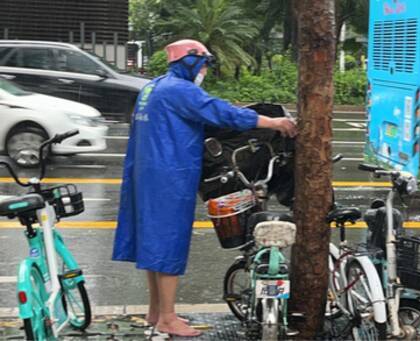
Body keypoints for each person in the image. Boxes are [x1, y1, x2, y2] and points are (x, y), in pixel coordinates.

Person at [111, 39, 297, 337]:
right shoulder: (180, 90)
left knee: (154, 243)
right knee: (168, 245)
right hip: (169, 176)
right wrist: (273, 122)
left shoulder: (153, 87)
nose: (205, 71)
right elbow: (225, 114)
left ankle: (156, 311)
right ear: (191, 61)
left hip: (145, 173)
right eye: (205, 64)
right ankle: (168, 319)